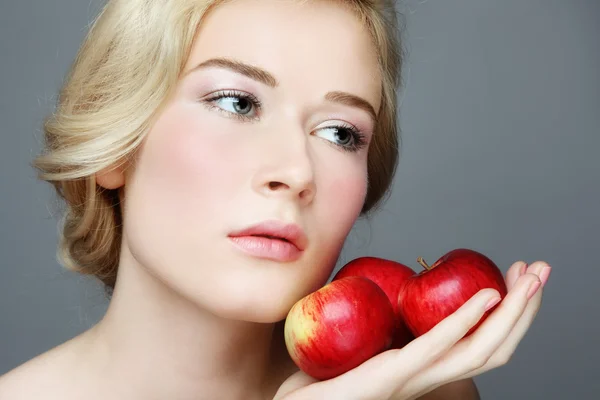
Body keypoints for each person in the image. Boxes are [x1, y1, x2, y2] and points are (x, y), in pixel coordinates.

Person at [0, 0, 551, 398]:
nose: (296, 171)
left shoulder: (423, 393)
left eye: (341, 133)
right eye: (237, 102)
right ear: (116, 147)